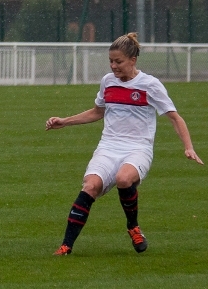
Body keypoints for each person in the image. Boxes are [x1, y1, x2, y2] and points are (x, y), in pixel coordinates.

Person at [46, 32, 204, 256]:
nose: (113, 66)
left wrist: (188, 147)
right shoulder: (107, 82)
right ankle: (66, 246)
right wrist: (65, 121)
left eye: (118, 61)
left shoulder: (150, 85)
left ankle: (133, 227)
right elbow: (97, 112)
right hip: (108, 146)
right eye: (111, 61)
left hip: (138, 148)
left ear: (133, 60)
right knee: (90, 186)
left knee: (123, 178)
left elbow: (174, 117)